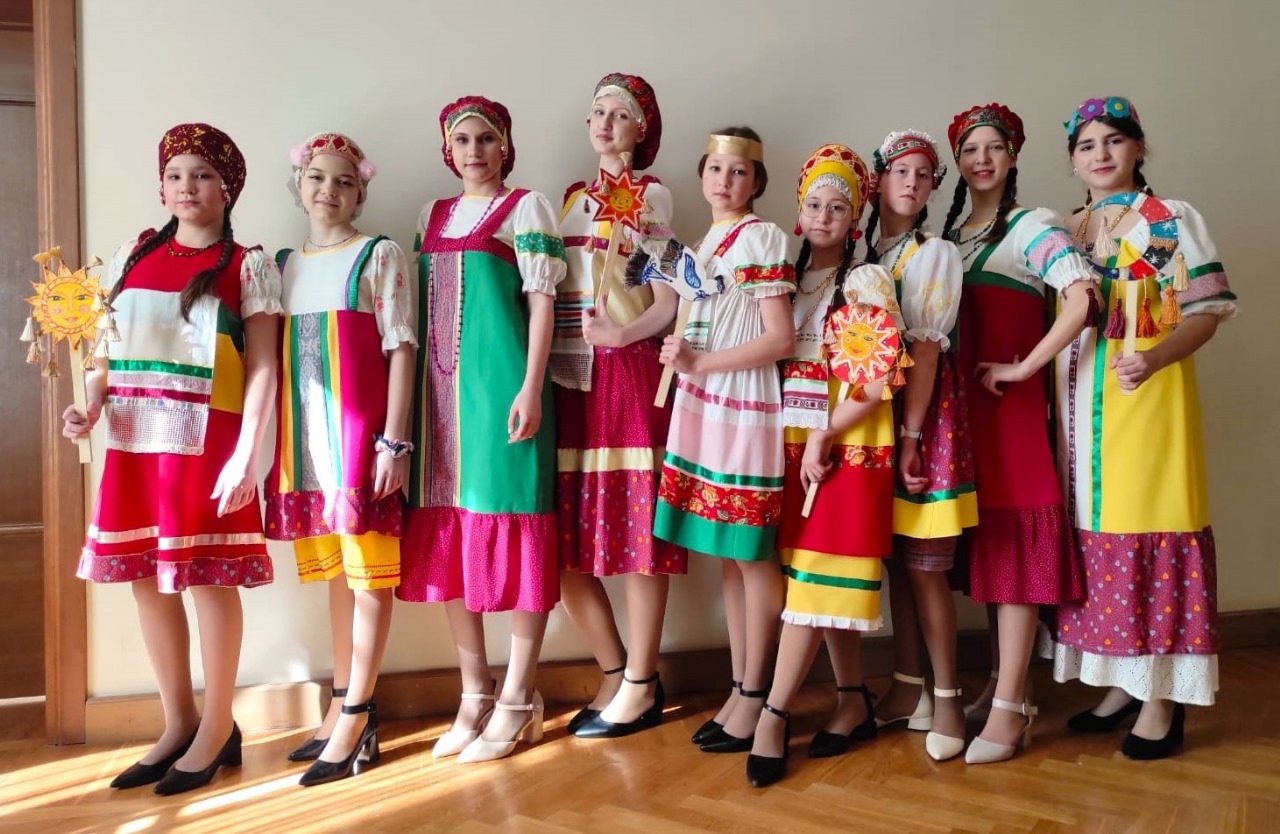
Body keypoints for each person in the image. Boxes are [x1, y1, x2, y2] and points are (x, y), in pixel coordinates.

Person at [1008, 96, 1234, 760]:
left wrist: (1157, 357)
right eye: (1087, 145)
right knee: (1092, 534)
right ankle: (1122, 683)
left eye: (1113, 140)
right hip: (1077, 411)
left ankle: (1161, 699)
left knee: (1145, 527)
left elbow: (1207, 311)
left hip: (1145, 405)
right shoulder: (1067, 230)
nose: (1100, 154)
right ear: (1073, 159)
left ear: (1138, 147)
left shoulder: (1170, 220)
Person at [65, 123, 281, 795]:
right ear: (161, 186)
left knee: (208, 579)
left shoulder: (248, 266)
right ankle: (179, 720)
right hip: (135, 444)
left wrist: (248, 453)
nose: (188, 187)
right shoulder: (133, 255)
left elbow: (265, 368)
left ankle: (218, 725)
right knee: (146, 581)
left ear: (227, 188)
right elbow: (105, 350)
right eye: (176, 175)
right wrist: (90, 403)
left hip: (209, 446)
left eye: (203, 175)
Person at [396, 96, 566, 763]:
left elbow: (542, 302)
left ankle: (519, 695)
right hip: (439, 402)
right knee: (451, 533)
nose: (474, 151)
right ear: (449, 150)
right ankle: (475, 693)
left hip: (502, 395)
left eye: (486, 139)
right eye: (462, 140)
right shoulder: (430, 217)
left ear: (504, 146)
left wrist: (531, 385)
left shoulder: (526, 208)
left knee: (516, 526)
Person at [939, 103, 1093, 763]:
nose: (982, 160)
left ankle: (1008, 710)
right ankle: (1011, 687)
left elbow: (1083, 297)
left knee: (1017, 551)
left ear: (1013, 156)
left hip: (1013, 413)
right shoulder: (950, 237)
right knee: (991, 549)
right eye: (970, 149)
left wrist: (1025, 366)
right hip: (967, 417)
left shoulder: (1033, 226)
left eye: (993, 148)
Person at [746, 144, 900, 787]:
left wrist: (825, 435)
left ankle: (773, 714)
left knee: (814, 584)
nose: (824, 216)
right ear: (799, 210)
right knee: (816, 583)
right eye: (814, 204)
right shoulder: (786, 279)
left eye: (839, 207)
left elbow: (876, 380)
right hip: (793, 445)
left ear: (855, 217)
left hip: (846, 446)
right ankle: (852, 697)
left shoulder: (866, 282)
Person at [265, 132, 416, 784]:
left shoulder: (378, 255)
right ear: (299, 185)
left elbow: (400, 348)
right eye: (317, 178)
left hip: (360, 445)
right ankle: (341, 703)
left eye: (344, 181)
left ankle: (357, 713)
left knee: (368, 576)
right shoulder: (281, 265)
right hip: (306, 449)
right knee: (336, 576)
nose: (329, 190)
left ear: (360, 192)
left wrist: (394, 441)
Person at [648, 127, 796, 753]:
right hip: (703, 405)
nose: (725, 181)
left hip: (741, 405)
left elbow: (780, 338)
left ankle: (760, 693)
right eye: (716, 168)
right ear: (702, 174)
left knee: (752, 555)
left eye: (739, 172)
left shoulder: (763, 237)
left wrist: (700, 363)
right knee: (729, 559)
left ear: (756, 182)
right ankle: (740, 686)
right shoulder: (705, 242)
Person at [552, 73, 685, 739]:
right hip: (570, 380)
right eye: (597, 111)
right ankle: (614, 669)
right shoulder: (570, 202)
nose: (605, 122)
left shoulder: (650, 195)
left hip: (627, 375)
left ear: (642, 128)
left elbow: (669, 298)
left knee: (638, 537)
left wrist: (625, 336)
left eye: (620, 113)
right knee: (563, 542)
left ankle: (641, 678)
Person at [861, 129, 973, 762]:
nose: (911, 182)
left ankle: (949, 698)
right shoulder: (863, 250)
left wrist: (910, 436)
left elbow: (926, 352)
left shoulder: (933, 255)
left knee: (927, 565)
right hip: (870, 418)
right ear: (879, 179)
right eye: (900, 171)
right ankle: (909, 687)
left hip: (920, 419)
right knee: (895, 560)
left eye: (924, 174)